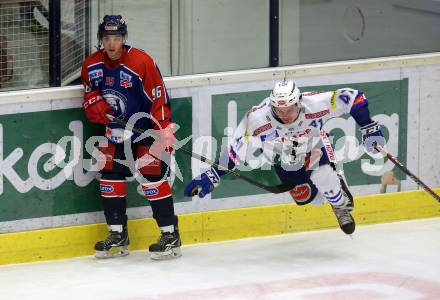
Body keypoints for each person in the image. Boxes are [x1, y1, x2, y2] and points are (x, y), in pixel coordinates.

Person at [184, 80, 385, 235]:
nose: (284, 114)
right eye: (279, 109)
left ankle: (337, 200)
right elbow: (235, 150)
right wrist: (212, 175)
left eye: (289, 108)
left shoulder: (314, 103)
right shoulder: (257, 118)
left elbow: (354, 97)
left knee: (324, 176)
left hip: (314, 147)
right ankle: (330, 192)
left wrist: (368, 126)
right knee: (309, 198)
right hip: (283, 159)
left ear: (298, 102)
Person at [81, 15, 181, 259]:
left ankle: (170, 235)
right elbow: (90, 95)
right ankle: (118, 234)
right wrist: (98, 107)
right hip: (116, 131)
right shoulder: (91, 65)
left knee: (152, 176)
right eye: (107, 38)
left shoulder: (141, 61)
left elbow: (158, 95)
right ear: (101, 40)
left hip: (147, 128)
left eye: (116, 38)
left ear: (124, 38)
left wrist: (164, 127)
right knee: (109, 176)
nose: (112, 43)